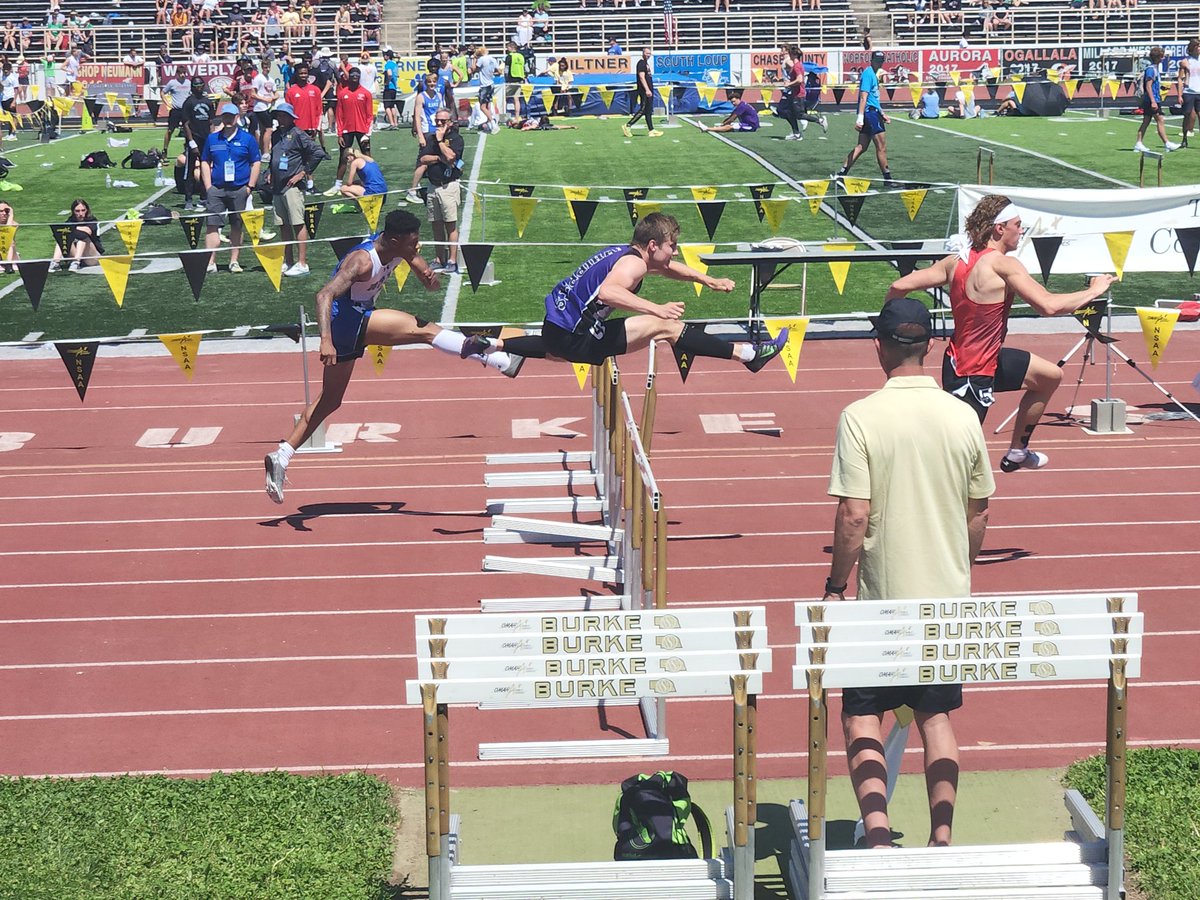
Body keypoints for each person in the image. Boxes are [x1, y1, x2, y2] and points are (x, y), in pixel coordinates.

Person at [825, 296, 994, 850]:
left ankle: (877, 836)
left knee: (862, 717)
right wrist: (957, 566)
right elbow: (979, 510)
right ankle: (941, 838)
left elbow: (854, 514)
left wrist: (835, 585)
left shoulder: (861, 416)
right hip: (944, 594)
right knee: (936, 715)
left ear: (880, 345)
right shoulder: (962, 415)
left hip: (882, 600)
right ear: (930, 347)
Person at [263, 209, 524, 503]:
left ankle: (281, 456)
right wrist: (325, 341)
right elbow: (323, 296)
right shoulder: (361, 261)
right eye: (413, 243)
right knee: (422, 330)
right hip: (346, 321)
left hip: (358, 317)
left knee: (331, 400)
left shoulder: (397, 246)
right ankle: (496, 358)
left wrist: (426, 277)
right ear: (396, 239)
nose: (417, 247)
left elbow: (415, 260)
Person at [884, 194, 1117, 471]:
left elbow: (899, 287)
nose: (1022, 230)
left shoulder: (954, 262)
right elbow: (1048, 306)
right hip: (972, 373)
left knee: (1049, 376)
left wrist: (887, 326)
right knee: (956, 458)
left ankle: (1018, 451)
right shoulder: (1003, 265)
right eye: (1018, 225)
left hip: (981, 360)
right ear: (999, 228)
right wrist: (1094, 290)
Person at [486, 213, 789, 370]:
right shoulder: (634, 266)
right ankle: (750, 355)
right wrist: (655, 309)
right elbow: (608, 292)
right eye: (672, 246)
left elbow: (667, 268)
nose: (675, 252)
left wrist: (706, 279)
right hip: (577, 338)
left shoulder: (624, 253)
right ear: (654, 246)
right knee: (667, 326)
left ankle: (492, 347)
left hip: (554, 331)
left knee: (554, 351)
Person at [267, 101, 326, 276]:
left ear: (291, 118)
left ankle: (302, 262)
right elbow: (273, 157)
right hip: (277, 186)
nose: (281, 118)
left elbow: (317, 153)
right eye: (279, 115)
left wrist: (303, 173)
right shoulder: (276, 135)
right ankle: (289, 260)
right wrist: (270, 172)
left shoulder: (298, 134)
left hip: (292, 186)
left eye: (284, 115)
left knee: (298, 223)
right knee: (283, 225)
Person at [200, 101, 261, 274]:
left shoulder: (247, 139)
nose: (227, 120)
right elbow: (205, 161)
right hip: (217, 189)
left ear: (237, 117)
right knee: (212, 225)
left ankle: (234, 261)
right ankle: (210, 261)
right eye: (224, 116)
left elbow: (255, 162)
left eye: (230, 116)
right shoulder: (212, 138)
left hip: (239, 188)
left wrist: (250, 186)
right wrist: (208, 186)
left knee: (236, 225)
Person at [834, 50, 893, 183]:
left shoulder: (872, 74)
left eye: (881, 61)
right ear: (871, 60)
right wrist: (860, 117)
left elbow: (873, 97)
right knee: (881, 147)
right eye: (877, 60)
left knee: (862, 146)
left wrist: (882, 113)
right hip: (870, 114)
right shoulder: (868, 74)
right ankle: (888, 179)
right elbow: (863, 96)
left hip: (873, 112)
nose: (879, 63)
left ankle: (842, 173)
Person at [420, 109, 464, 274]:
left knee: (450, 225)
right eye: (437, 120)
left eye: (443, 121)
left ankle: (452, 260)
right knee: (436, 225)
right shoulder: (430, 138)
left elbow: (452, 157)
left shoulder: (456, 139)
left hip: (448, 186)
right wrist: (439, 158)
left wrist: (439, 143)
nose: (439, 124)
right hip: (433, 186)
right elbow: (423, 159)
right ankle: (440, 258)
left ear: (450, 123)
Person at [326, 65, 373, 193]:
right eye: (352, 76)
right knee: (343, 157)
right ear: (349, 77)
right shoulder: (342, 94)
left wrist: (367, 133)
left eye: (357, 76)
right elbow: (339, 115)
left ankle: (370, 181)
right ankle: (337, 184)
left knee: (367, 156)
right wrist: (339, 134)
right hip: (347, 130)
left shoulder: (366, 93)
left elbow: (369, 115)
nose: (354, 78)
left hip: (362, 130)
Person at [1134, 47, 1181, 154]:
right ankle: (1167, 143)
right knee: (1160, 120)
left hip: (1153, 99)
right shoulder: (1151, 69)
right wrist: (1153, 101)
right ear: (1158, 57)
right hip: (1152, 100)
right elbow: (1148, 86)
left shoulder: (1154, 68)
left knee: (1146, 121)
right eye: (1162, 56)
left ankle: (1139, 143)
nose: (1163, 58)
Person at [776, 44, 827, 140]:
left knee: (796, 114)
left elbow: (799, 79)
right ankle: (796, 133)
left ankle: (819, 120)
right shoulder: (796, 65)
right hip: (794, 91)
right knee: (790, 112)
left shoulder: (795, 65)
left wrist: (789, 83)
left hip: (796, 93)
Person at [407, 72, 443, 203]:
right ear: (426, 83)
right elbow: (417, 116)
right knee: (422, 162)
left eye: (434, 82)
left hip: (437, 132)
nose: (432, 84)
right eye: (429, 82)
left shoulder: (439, 95)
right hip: (427, 132)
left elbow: (440, 113)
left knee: (435, 160)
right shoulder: (421, 97)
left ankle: (434, 185)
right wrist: (420, 135)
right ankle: (412, 190)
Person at [181, 76, 215, 211]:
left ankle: (204, 197)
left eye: (201, 85)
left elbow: (211, 122)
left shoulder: (208, 102)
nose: (199, 87)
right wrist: (191, 142)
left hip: (206, 139)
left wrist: (212, 138)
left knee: (205, 168)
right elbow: (186, 124)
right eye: (196, 85)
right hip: (194, 139)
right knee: (190, 170)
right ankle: (188, 199)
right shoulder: (188, 103)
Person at [49, 198, 104, 272]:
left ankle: (76, 262)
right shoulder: (70, 221)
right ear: (73, 211)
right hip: (76, 253)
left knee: (83, 238)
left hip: (92, 257)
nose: (80, 214)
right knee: (61, 238)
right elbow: (62, 230)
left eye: (83, 210)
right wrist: (73, 229)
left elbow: (88, 231)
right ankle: (55, 262)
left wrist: (72, 228)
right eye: (77, 211)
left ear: (87, 210)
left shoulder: (92, 220)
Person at [622, 47, 661, 137]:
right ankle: (628, 125)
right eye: (647, 53)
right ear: (643, 53)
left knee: (648, 111)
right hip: (644, 90)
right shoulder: (641, 63)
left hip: (648, 90)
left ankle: (651, 130)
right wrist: (647, 89)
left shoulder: (646, 64)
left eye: (649, 53)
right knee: (643, 109)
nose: (648, 55)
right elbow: (641, 77)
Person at [160, 67, 193, 153]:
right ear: (177, 74)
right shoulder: (172, 83)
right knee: (170, 130)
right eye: (181, 73)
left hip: (186, 111)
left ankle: (188, 149)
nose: (182, 75)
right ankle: (165, 149)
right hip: (175, 110)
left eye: (184, 73)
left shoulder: (189, 83)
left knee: (188, 130)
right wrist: (167, 103)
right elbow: (163, 93)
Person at [1177, 38, 1200, 148]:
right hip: (1189, 92)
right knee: (1187, 115)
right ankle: (1184, 138)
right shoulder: (1185, 61)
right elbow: (1180, 79)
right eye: (1197, 46)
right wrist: (1179, 94)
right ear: (1192, 48)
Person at [472, 44, 499, 132]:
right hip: (491, 83)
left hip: (484, 85)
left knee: (482, 107)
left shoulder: (481, 59)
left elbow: (473, 69)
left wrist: (474, 59)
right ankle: (489, 122)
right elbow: (498, 71)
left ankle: (492, 122)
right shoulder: (493, 59)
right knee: (488, 105)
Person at [381, 48, 399, 129]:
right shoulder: (395, 64)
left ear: (387, 56)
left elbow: (389, 74)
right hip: (394, 88)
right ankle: (395, 123)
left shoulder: (388, 64)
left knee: (387, 106)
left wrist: (387, 82)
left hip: (389, 88)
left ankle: (391, 123)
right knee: (392, 106)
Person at [0, 201, 19, 272]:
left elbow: (6, 233)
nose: (4, 213)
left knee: (10, 241)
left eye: (6, 211)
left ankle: (8, 264)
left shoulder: (14, 224)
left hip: (9, 254)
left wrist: (11, 216)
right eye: (1, 211)